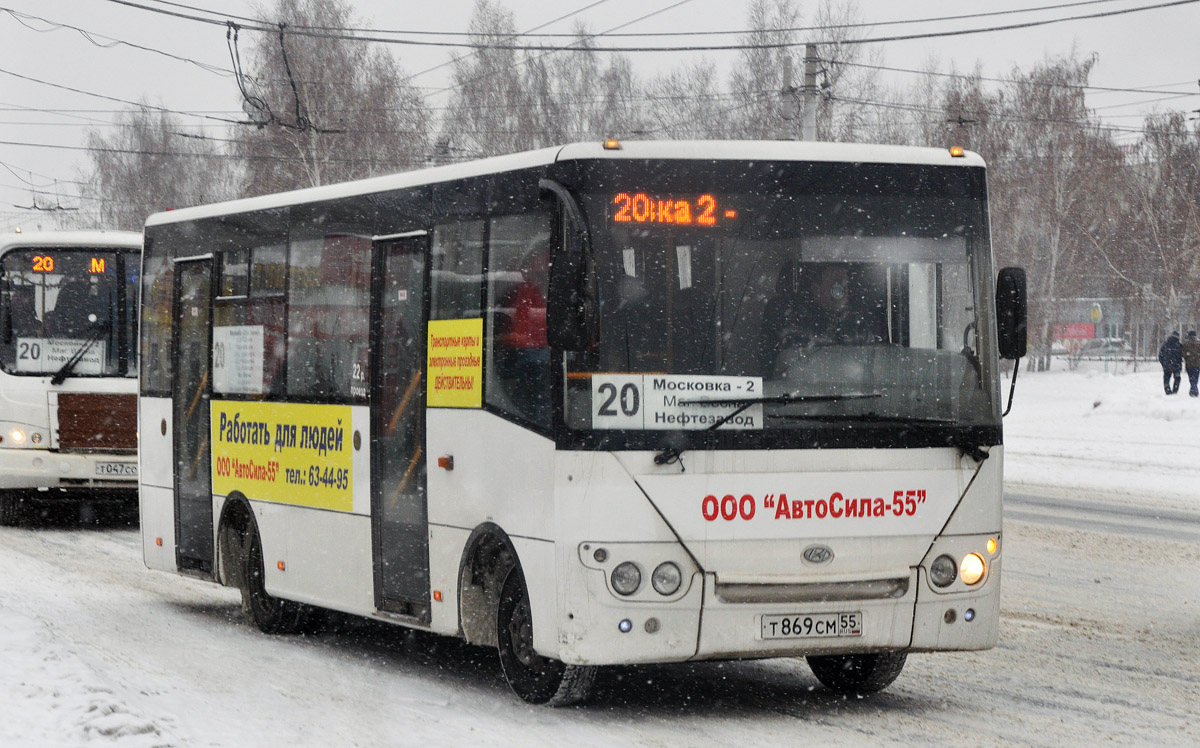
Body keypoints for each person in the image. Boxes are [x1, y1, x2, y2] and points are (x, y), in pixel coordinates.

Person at [1157, 330, 1183, 395]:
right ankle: (1175, 390)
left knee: (1166, 378)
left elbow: (1160, 355)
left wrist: (1163, 363)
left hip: (1167, 365)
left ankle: (1167, 389)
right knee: (1177, 378)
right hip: (1177, 365)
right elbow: (1183, 354)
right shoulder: (1179, 345)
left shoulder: (1165, 344)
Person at [1183, 330, 1200, 397]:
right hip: (1197, 364)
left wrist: (1187, 357)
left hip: (1189, 364)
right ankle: (1194, 390)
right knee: (1196, 378)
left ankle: (1193, 390)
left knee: (1191, 378)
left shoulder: (1186, 343)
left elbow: (1183, 354)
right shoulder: (1199, 343)